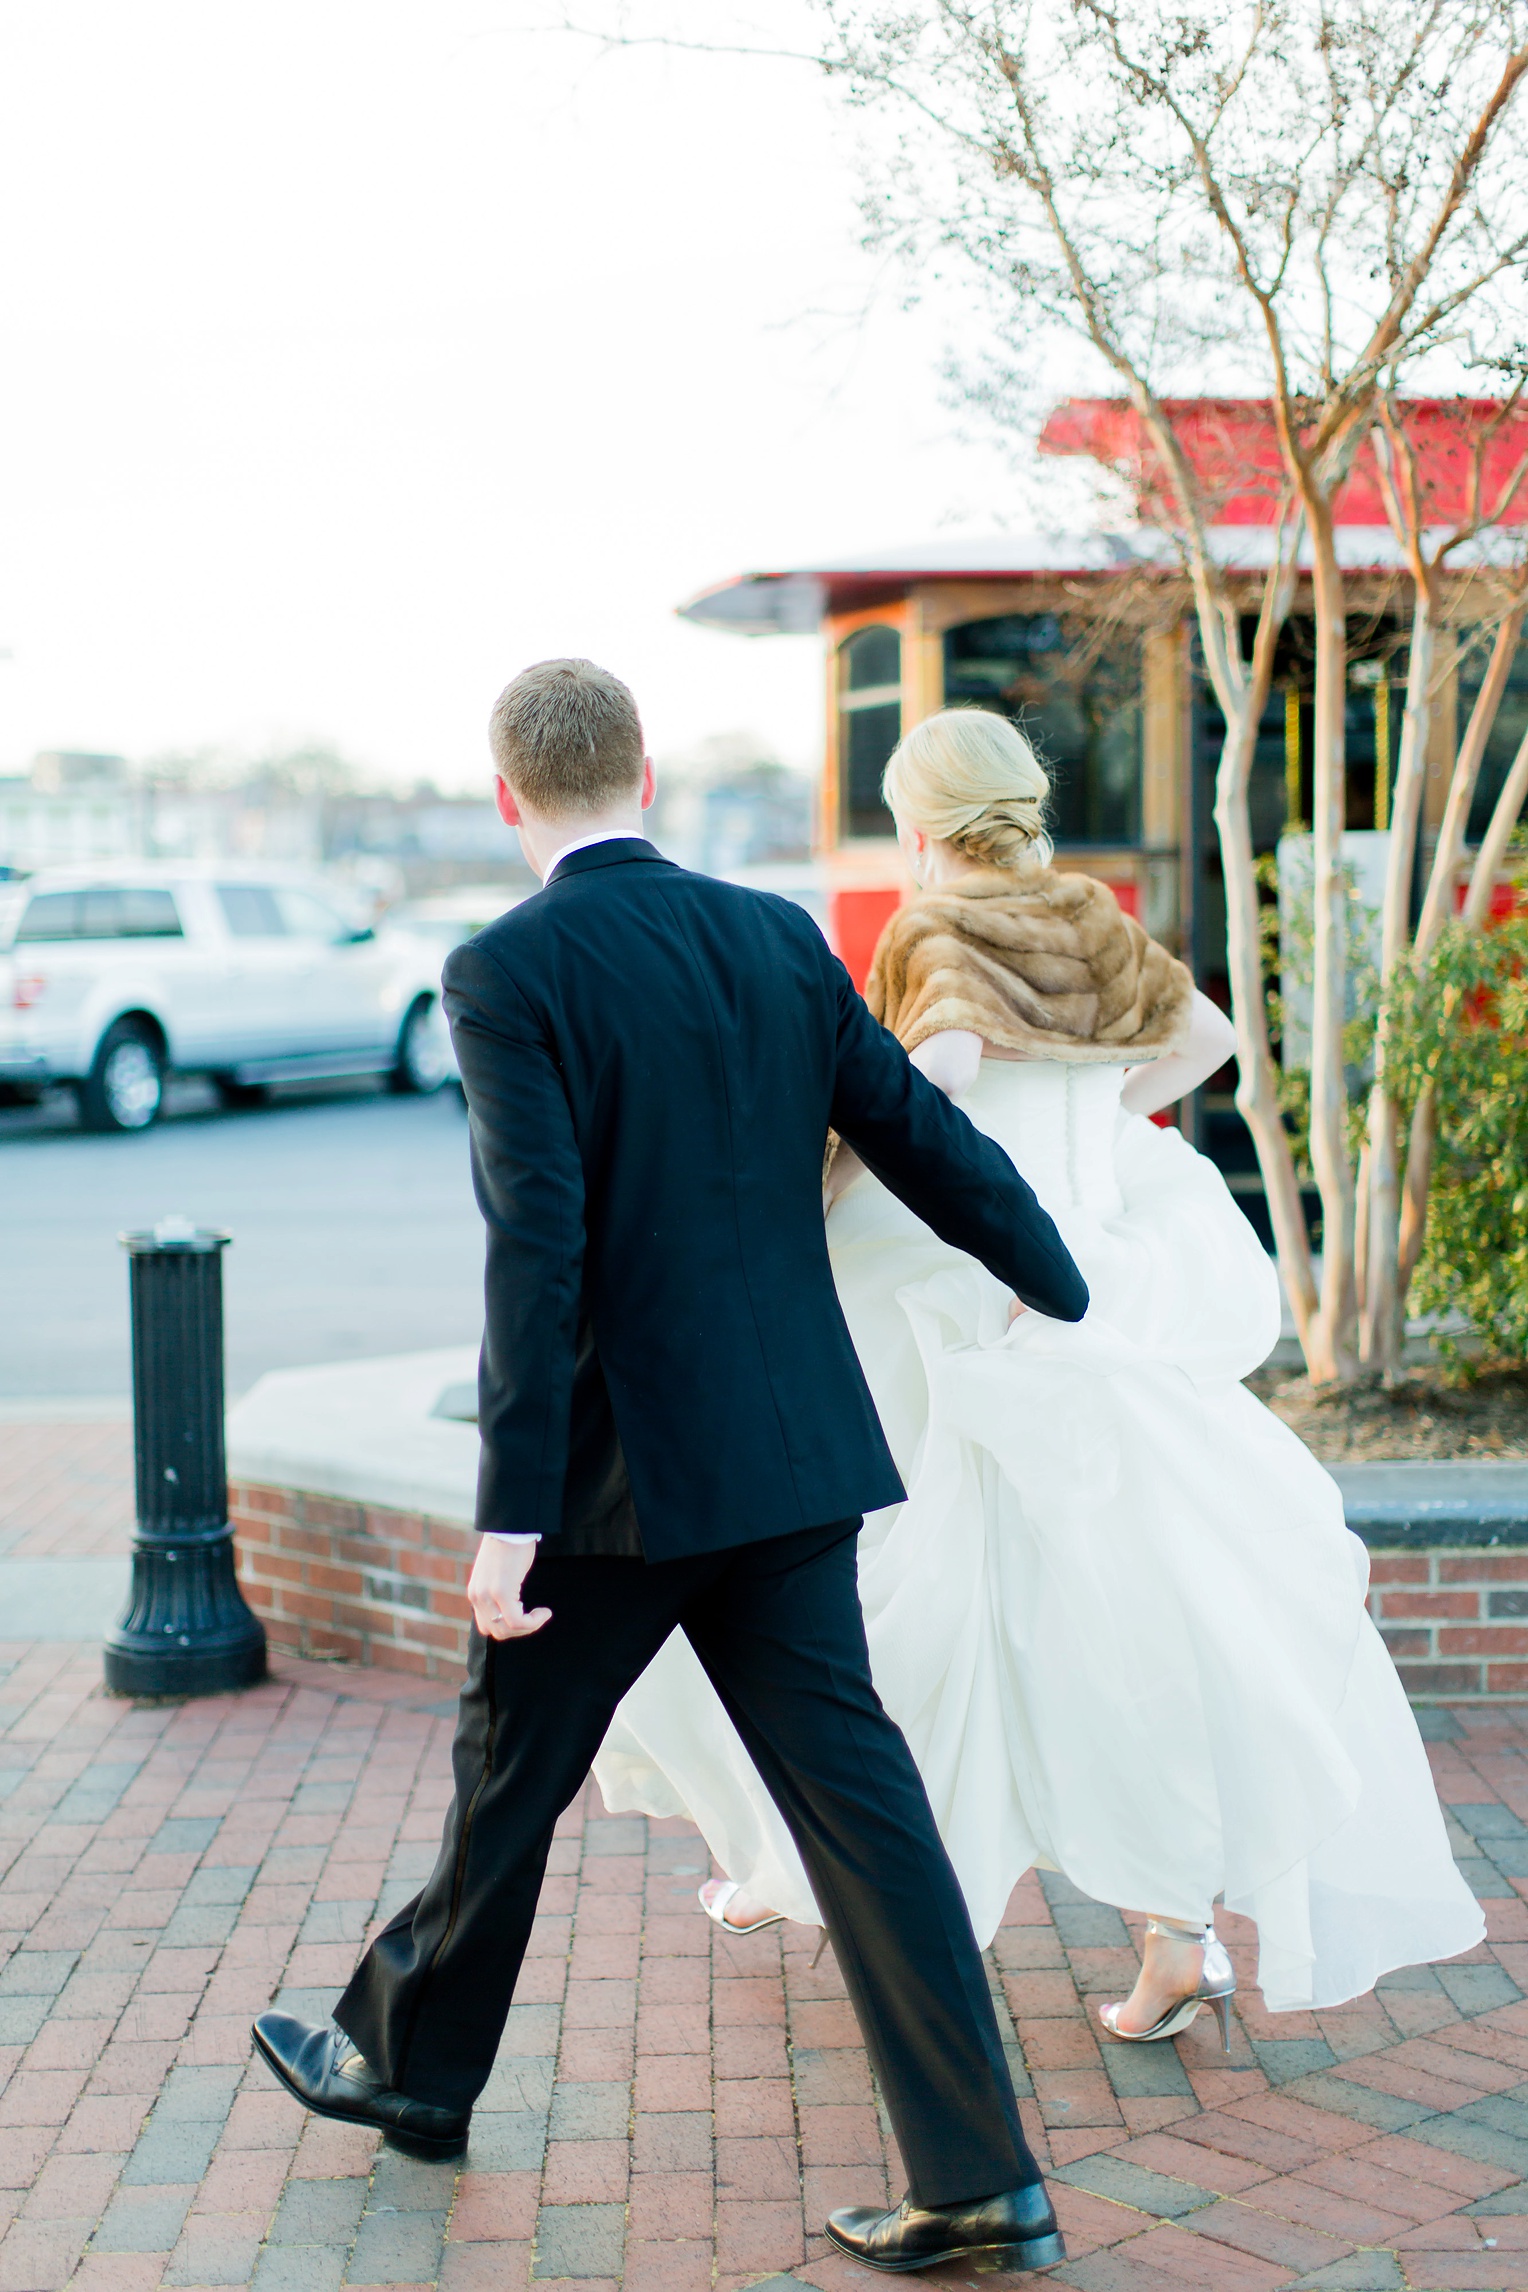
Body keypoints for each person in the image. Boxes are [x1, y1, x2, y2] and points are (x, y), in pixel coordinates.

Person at [251, 661, 1094, 2279]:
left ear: (510, 799)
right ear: (646, 770)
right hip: (789, 1467)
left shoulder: (506, 967)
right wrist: (1054, 1273)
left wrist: (509, 1515)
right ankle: (981, 2178)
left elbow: (537, 1250)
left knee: (510, 1781)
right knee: (867, 1816)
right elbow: (918, 1130)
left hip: (617, 1491)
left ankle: (408, 2071)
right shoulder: (777, 936)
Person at [595, 704, 1484, 2047]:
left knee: (878, 1607)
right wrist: (1092, 1132)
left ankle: (810, 1860)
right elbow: (1206, 1044)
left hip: (968, 1297)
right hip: (1091, 1291)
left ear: (926, 821)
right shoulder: (1087, 915)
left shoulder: (937, 927)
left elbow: (931, 1085)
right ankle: (1172, 1935)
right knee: (1117, 1625)